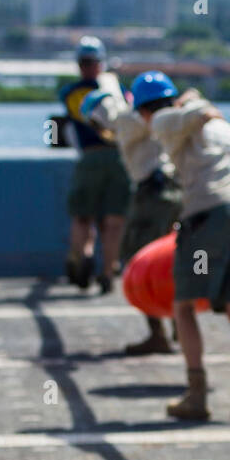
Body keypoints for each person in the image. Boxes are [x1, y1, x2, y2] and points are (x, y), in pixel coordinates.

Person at [150, 83, 230, 422]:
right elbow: (200, 107)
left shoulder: (162, 121)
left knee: (184, 306)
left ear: (147, 110)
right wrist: (192, 99)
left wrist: (192, 104)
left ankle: (196, 395)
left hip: (207, 219)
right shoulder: (198, 125)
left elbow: (201, 112)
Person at [83, 70, 183, 355]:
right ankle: (179, 324)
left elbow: (112, 118)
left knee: (142, 264)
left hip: (153, 196)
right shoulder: (172, 123)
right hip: (178, 191)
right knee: (175, 260)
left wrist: (105, 87)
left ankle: (161, 332)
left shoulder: (131, 122)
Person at [58, 36, 129, 293]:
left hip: (89, 157)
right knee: (113, 221)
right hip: (117, 158)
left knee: (82, 216)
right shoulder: (118, 93)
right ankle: (108, 270)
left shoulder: (70, 93)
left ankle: (83, 254)